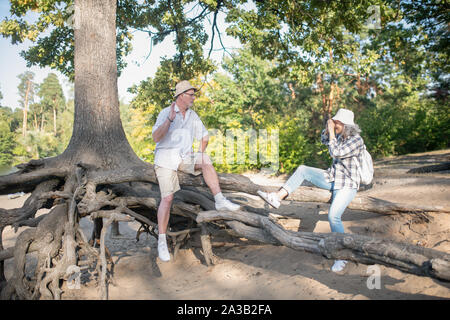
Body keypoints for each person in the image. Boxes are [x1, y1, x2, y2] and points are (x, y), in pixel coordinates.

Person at [257, 108, 364, 272]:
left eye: (336, 122)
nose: (334, 124)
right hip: (333, 179)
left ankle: (342, 256)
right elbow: (323, 139)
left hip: (348, 184)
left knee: (333, 216)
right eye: (334, 122)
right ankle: (277, 197)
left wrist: (332, 132)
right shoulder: (340, 136)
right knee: (302, 169)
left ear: (344, 124)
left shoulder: (356, 140)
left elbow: (335, 152)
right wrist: (328, 129)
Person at [152, 80, 240, 262]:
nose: (194, 97)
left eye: (194, 94)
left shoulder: (192, 115)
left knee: (206, 159)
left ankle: (219, 200)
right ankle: (162, 240)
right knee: (167, 198)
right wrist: (169, 119)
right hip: (166, 159)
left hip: (184, 158)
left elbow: (205, 136)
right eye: (191, 94)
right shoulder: (165, 113)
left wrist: (198, 153)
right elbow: (155, 138)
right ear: (181, 96)